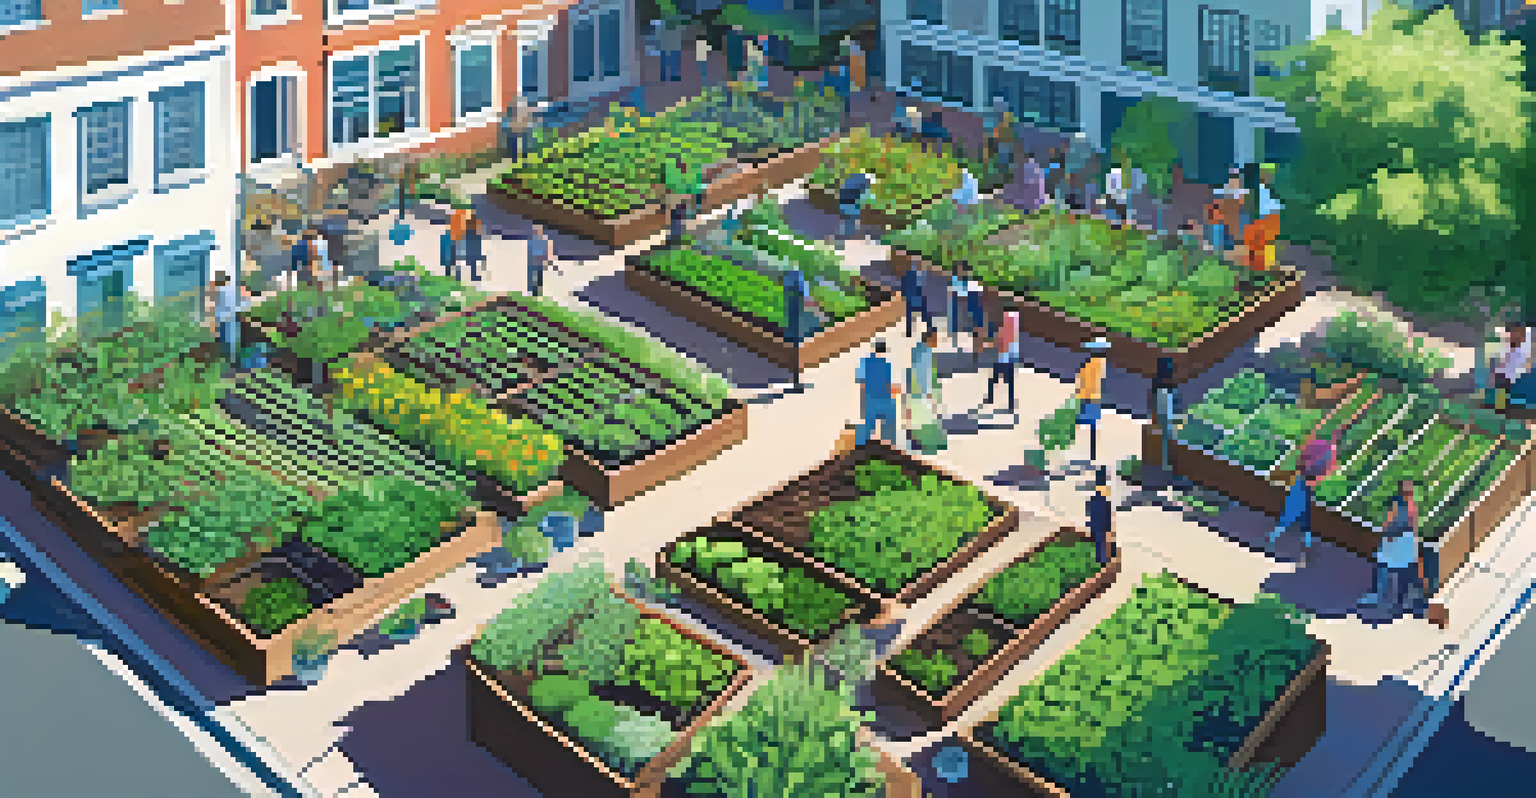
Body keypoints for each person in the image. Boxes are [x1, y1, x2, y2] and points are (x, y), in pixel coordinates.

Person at [1271, 430, 1341, 566]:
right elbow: (1327, 468)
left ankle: (1282, 533)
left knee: (1295, 505)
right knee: (1303, 509)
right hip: (1310, 481)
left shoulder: (1317, 445)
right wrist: (1316, 480)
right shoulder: (1330, 451)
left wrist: (1301, 471)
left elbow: (1303, 458)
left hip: (1303, 478)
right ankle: (1303, 539)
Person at [1361, 480, 1424, 616]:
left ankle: (1386, 599)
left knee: (1388, 571)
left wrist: (1388, 535)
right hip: (1403, 544)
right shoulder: (1410, 506)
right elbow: (1410, 526)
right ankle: (1400, 603)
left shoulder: (1401, 506)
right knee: (1400, 574)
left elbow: (1392, 524)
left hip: (1398, 543)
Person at [904, 328, 947, 454]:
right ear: (929, 339)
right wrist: (929, 392)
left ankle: (916, 440)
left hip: (917, 391)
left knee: (919, 417)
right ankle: (920, 443)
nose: (936, 341)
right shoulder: (925, 354)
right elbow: (923, 373)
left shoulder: (919, 350)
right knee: (924, 418)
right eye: (934, 339)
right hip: (921, 392)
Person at [856, 339, 901, 447]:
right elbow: (888, 384)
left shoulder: (866, 362)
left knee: (869, 424)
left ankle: (863, 445)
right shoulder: (885, 364)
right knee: (887, 420)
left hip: (872, 398)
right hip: (880, 399)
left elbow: (861, 381)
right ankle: (889, 443)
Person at [1076, 337, 1111, 462]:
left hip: (1088, 397)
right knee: (1092, 426)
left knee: (1084, 423)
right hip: (1094, 397)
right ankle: (1092, 453)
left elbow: (1085, 381)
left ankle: (1089, 452)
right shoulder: (1101, 363)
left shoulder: (1091, 364)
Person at [211, 272, 253, 367]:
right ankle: (235, 362)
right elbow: (243, 304)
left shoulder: (221, 292)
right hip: (232, 317)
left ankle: (231, 362)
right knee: (233, 340)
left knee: (227, 341)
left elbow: (218, 309)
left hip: (226, 319)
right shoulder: (231, 290)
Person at [983, 310, 1021, 412]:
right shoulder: (1012, 331)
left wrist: (989, 344)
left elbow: (1001, 342)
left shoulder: (1006, 331)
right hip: (1007, 359)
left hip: (1004, 359)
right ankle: (1010, 404)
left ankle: (995, 399)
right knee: (1006, 382)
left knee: (997, 380)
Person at [1152, 356, 1180, 472]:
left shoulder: (1158, 381)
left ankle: (1164, 462)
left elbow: (1153, 398)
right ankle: (1166, 463)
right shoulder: (1168, 382)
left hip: (1162, 404)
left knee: (1165, 435)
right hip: (1165, 404)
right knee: (1167, 435)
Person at [1493, 325, 1530, 409]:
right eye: (1513, 333)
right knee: (1501, 394)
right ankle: (1500, 408)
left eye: (1517, 334)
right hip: (1505, 376)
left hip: (1516, 378)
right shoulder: (1507, 347)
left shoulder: (1524, 350)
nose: (1513, 335)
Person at [1087, 466, 1115, 566]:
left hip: (1097, 518)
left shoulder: (1095, 496)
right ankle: (1102, 561)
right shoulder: (1102, 496)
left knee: (1100, 539)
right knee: (1101, 539)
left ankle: (1102, 559)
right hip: (1100, 519)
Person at [839, 171, 874, 240]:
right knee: (851, 219)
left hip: (845, 201)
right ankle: (849, 234)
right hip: (852, 203)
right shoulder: (864, 181)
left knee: (847, 219)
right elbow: (865, 195)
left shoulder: (853, 177)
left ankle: (846, 234)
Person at [901, 261, 930, 337]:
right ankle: (909, 330)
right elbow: (904, 285)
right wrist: (905, 295)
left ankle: (929, 330)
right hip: (911, 298)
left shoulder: (925, 274)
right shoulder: (909, 274)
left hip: (923, 298)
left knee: (927, 314)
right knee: (909, 316)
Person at [526, 224, 552, 296]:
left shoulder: (544, 240)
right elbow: (529, 250)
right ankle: (531, 291)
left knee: (539, 277)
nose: (536, 231)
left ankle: (537, 292)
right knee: (531, 277)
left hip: (539, 261)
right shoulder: (532, 240)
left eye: (538, 230)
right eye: (535, 230)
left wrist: (546, 260)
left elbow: (547, 251)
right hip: (532, 261)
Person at [465, 214, 484, 283]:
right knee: (473, 263)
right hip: (473, 248)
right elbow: (477, 240)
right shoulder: (475, 230)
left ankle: (473, 276)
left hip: (470, 248)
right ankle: (473, 276)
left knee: (473, 263)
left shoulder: (469, 228)